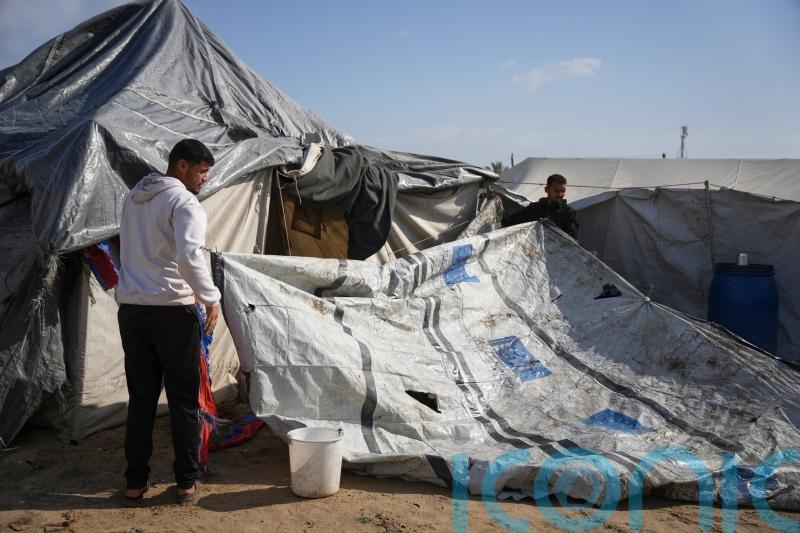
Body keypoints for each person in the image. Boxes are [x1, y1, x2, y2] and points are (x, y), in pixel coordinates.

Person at [114, 139, 220, 505]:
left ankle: (134, 482)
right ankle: (186, 483)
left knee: (141, 400)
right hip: (173, 311)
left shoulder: (132, 197)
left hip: (132, 310)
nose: (205, 179)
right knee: (182, 401)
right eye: (202, 171)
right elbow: (191, 258)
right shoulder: (183, 202)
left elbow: (123, 247)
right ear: (182, 166)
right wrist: (211, 298)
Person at [503, 173, 578, 238]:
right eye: (556, 191)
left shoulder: (568, 212)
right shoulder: (534, 208)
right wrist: (498, 203)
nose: (560, 194)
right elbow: (511, 222)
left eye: (562, 191)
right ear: (546, 189)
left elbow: (571, 240)